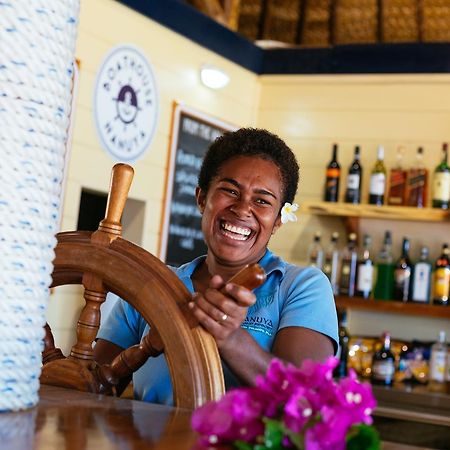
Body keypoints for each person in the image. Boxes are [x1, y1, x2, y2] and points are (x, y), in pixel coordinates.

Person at [94, 128, 338, 405]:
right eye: (230, 191)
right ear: (201, 198)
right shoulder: (151, 285)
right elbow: (94, 385)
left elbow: (307, 402)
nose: (243, 208)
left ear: (279, 218)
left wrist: (231, 338)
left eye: (262, 200)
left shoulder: (302, 287)